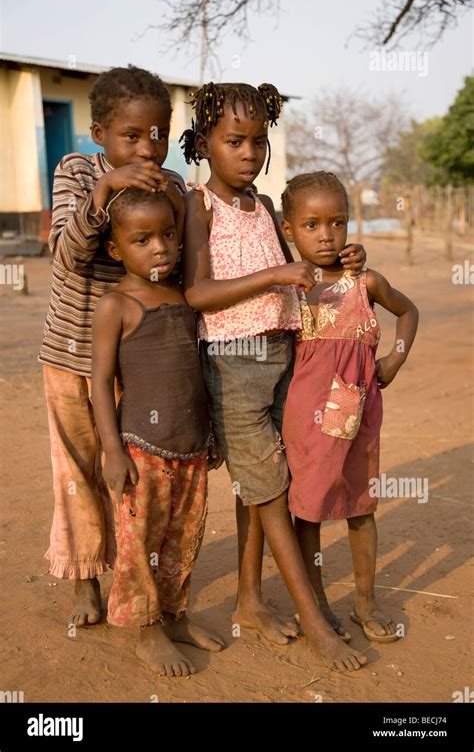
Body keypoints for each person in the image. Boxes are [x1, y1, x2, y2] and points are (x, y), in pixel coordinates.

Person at [181, 82, 368, 671]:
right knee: (271, 490)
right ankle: (315, 623)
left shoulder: (265, 207)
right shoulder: (198, 205)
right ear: (204, 142)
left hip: (285, 358)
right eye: (234, 140)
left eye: (258, 140)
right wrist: (271, 278)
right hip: (233, 364)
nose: (249, 152)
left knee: (259, 488)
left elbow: (312, 256)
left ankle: (250, 601)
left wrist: (347, 257)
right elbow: (197, 292)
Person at [38, 65, 185, 626]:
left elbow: (176, 270)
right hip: (71, 358)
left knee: (129, 469)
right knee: (77, 468)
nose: (147, 148)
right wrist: (103, 193)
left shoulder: (168, 186)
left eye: (158, 134)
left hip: (137, 361)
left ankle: (135, 574)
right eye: (132, 135)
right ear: (99, 132)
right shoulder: (78, 171)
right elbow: (67, 255)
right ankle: (84, 576)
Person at [91, 187, 225, 675]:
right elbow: (100, 383)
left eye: (168, 235)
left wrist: (209, 434)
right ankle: (144, 631)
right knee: (138, 541)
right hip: (139, 449)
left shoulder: (186, 295)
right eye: (142, 239)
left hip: (190, 445)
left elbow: (197, 369)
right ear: (116, 249)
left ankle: (173, 616)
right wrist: (111, 449)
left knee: (181, 538)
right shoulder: (117, 306)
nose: (161, 248)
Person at [281, 171, 419, 644]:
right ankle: (315, 605)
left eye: (337, 223)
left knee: (361, 508)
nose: (326, 235)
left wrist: (395, 359)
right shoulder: (291, 288)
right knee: (310, 511)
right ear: (289, 230)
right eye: (311, 225)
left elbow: (408, 311)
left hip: (358, 415)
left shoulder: (366, 283)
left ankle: (366, 601)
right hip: (306, 420)